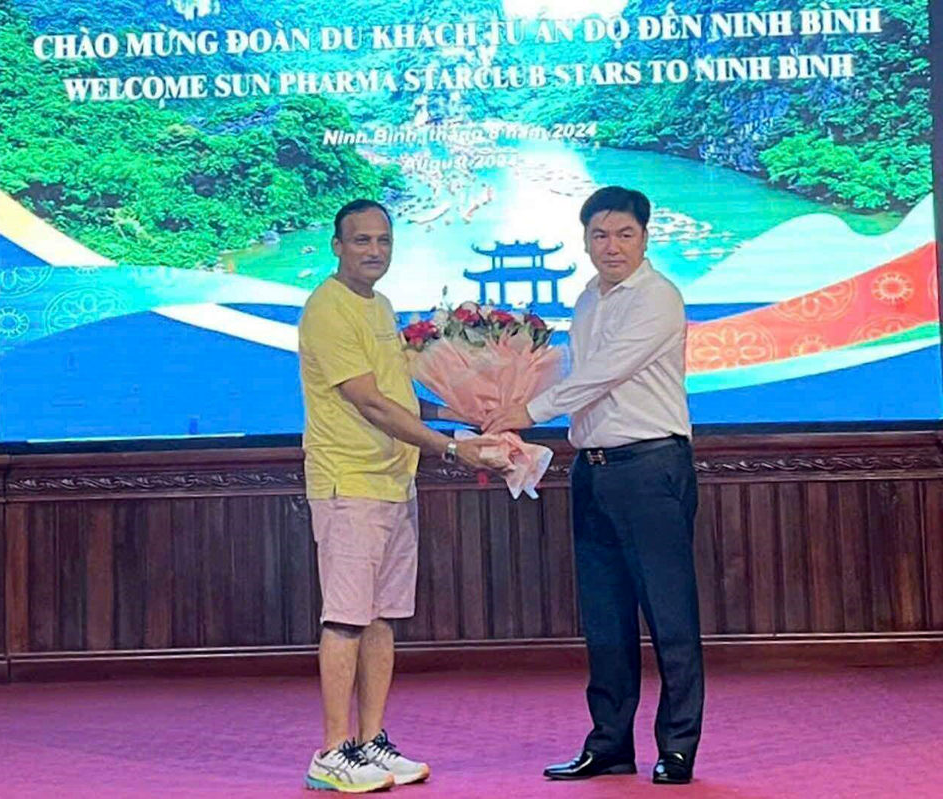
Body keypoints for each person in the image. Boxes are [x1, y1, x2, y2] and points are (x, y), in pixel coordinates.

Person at [485, 186, 703, 785]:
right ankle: (609, 743)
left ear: (645, 237)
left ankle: (678, 746)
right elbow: (577, 376)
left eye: (624, 235)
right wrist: (500, 403)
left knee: (668, 614)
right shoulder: (587, 298)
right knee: (604, 617)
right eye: (600, 235)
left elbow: (604, 376)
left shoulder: (657, 298)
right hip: (594, 469)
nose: (612, 246)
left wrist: (525, 413)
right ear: (584, 239)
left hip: (651, 468)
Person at [299, 199, 496, 793]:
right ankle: (331, 751)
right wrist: (450, 449)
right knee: (345, 619)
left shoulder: (380, 306)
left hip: (393, 480)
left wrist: (473, 416)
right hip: (349, 482)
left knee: (381, 618)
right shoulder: (327, 310)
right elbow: (371, 403)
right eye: (361, 240)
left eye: (383, 240)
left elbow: (401, 398)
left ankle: (370, 741)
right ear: (337, 245)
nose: (374, 251)